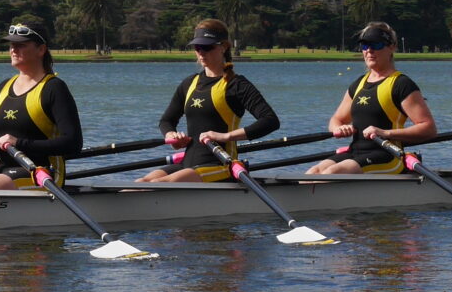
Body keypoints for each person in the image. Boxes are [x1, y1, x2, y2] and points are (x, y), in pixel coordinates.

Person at [138, 19, 280, 183]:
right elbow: (166, 120)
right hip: (187, 162)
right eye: (197, 47)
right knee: (140, 183)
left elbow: (270, 121)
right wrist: (172, 136)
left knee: (159, 184)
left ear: (224, 47)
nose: (201, 52)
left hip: (220, 165)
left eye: (207, 47)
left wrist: (225, 136)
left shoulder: (236, 85)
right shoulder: (189, 83)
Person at [0, 21, 83, 190]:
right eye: (12, 45)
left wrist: (19, 143)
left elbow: (73, 143)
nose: (13, 49)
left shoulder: (54, 88)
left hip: (42, 171)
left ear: (41, 50)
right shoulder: (3, 87)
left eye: (21, 45)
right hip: (3, 165)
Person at [306, 21, 436, 175]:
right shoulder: (359, 84)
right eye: (365, 46)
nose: (369, 51)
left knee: (333, 172)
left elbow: (428, 128)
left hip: (388, 156)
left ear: (392, 47)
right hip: (355, 151)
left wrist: (385, 133)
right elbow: (337, 119)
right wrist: (338, 128)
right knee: (314, 171)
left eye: (377, 45)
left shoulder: (401, 84)